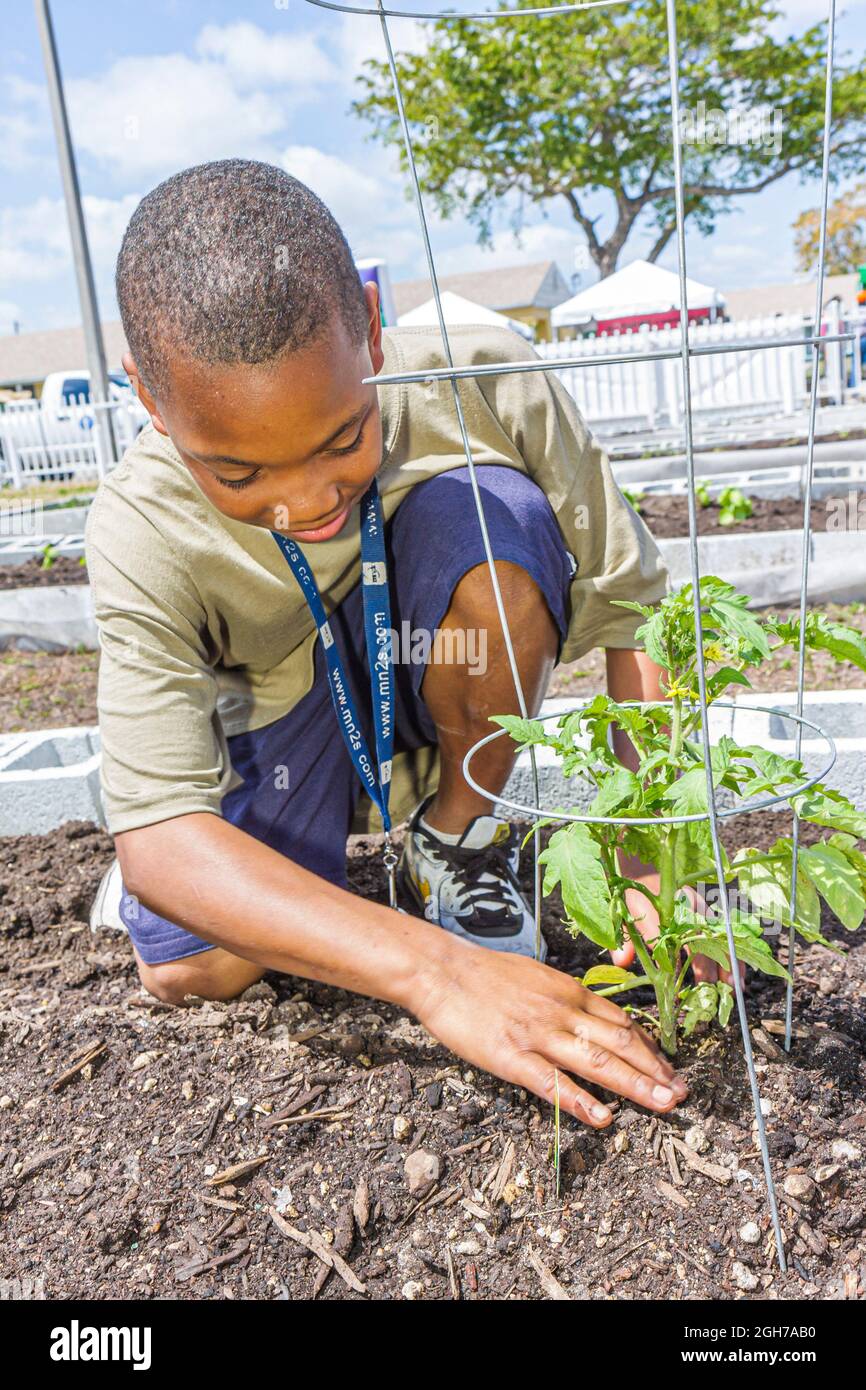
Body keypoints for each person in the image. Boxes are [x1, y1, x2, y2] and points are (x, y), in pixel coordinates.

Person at [88, 158, 695, 1129]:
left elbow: (632, 617)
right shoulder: (137, 523)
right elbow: (161, 848)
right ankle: (231, 828)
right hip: (275, 699)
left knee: (493, 520)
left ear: (369, 329)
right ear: (152, 404)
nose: (305, 500)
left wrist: (651, 869)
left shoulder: (478, 372)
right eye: (237, 470)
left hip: (428, 654)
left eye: (341, 439)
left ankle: (459, 840)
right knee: (199, 968)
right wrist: (438, 972)